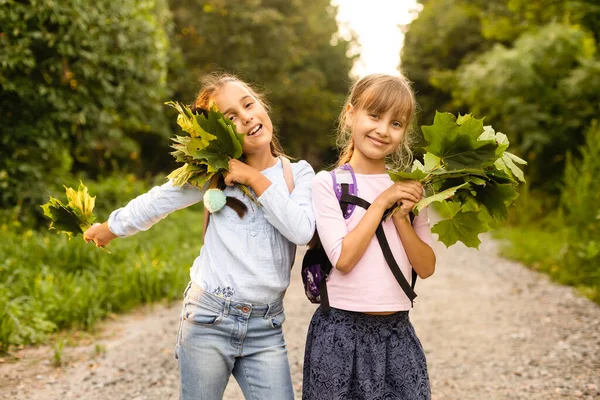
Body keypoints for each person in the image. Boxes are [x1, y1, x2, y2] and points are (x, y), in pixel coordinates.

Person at [83, 72, 315, 400]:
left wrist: (253, 178)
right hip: (209, 317)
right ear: (218, 136)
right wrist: (110, 228)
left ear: (263, 105)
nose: (246, 117)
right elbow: (158, 200)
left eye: (249, 105)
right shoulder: (212, 174)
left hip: (266, 327)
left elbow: (302, 230)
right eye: (230, 118)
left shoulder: (299, 173)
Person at [302, 73, 436, 400]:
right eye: (374, 115)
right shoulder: (329, 184)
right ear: (351, 115)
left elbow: (426, 266)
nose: (382, 129)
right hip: (339, 335)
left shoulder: (413, 187)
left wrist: (403, 217)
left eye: (396, 123)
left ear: (404, 133)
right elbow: (344, 259)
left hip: (397, 334)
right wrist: (382, 201)